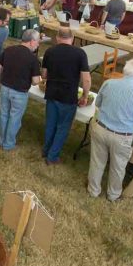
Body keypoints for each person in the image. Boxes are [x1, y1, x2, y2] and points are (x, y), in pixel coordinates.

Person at [88, 59, 133, 202]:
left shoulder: (108, 83)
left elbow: (98, 103)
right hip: (122, 136)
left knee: (97, 161)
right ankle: (113, 195)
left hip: (100, 128)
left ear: (124, 71)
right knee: (118, 167)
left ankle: (93, 190)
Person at [42, 27, 91, 164]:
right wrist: (85, 96)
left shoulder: (49, 51)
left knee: (50, 124)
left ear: (57, 37)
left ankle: (45, 150)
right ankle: (52, 157)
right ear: (72, 38)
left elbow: (44, 75)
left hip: (51, 93)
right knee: (63, 127)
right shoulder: (80, 53)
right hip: (68, 96)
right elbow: (86, 79)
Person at [0, 30, 41, 151]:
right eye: (37, 41)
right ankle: (8, 144)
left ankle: (1, 140)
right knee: (14, 118)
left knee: (4, 114)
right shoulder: (33, 59)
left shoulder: (8, 50)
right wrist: (38, 80)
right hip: (19, 93)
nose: (38, 44)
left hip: (4, 88)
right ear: (31, 41)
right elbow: (36, 81)